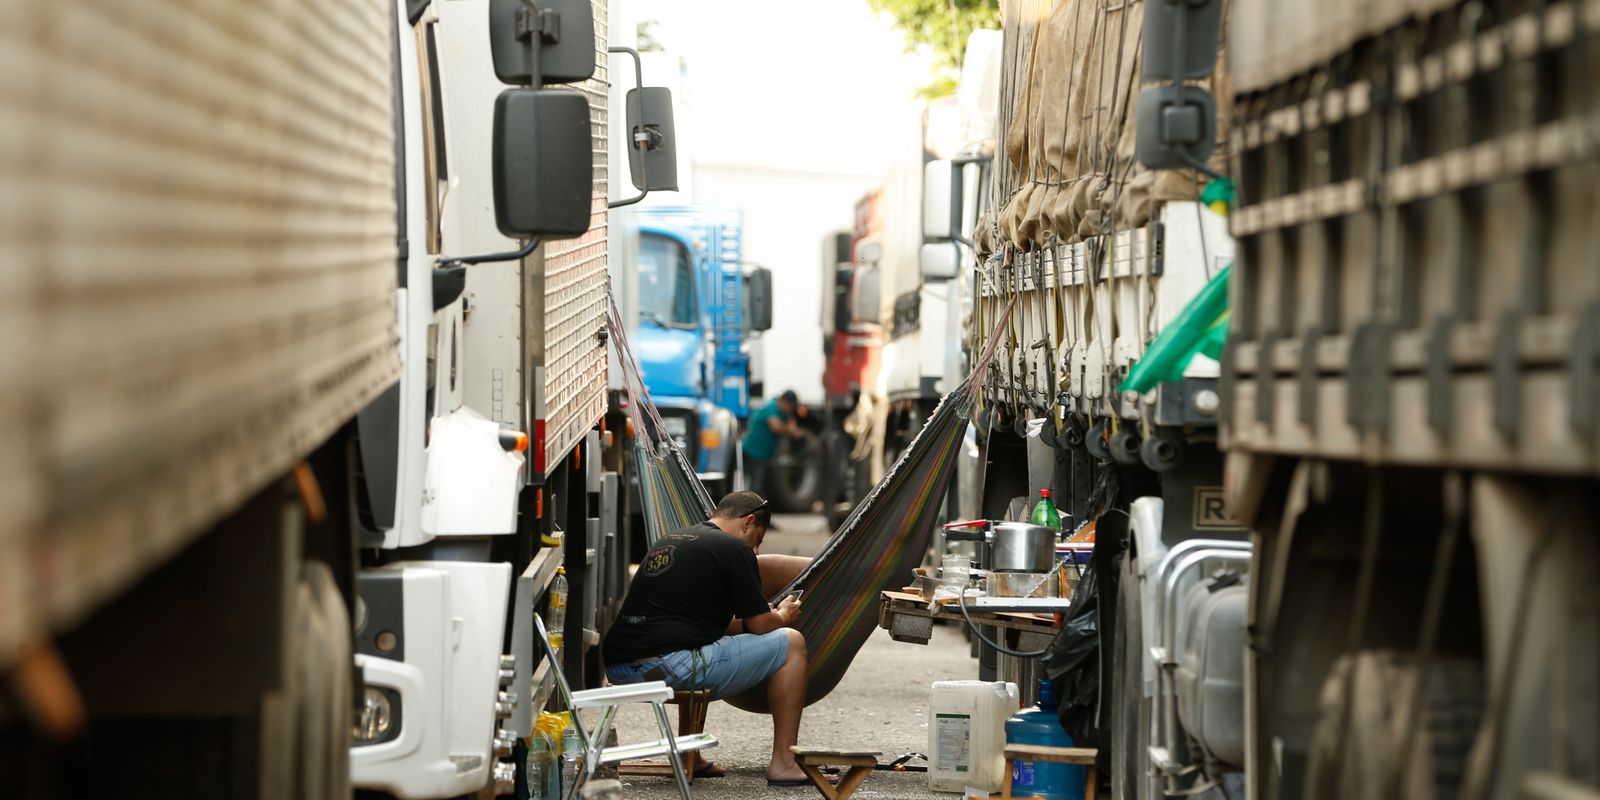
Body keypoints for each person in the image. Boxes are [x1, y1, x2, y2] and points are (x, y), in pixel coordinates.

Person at [602, 491, 812, 786]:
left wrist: (757, 619)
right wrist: (783, 615)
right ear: (748, 522)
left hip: (620, 668)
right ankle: (784, 763)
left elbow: (713, 627)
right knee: (792, 643)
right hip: (671, 669)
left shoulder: (672, 539)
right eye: (758, 539)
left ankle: (690, 754)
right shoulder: (734, 550)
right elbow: (764, 626)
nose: (755, 550)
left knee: (701, 645)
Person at [741, 390, 801, 496]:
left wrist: (790, 426)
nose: (790, 409)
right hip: (752, 452)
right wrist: (789, 430)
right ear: (783, 400)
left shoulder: (784, 413)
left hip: (763, 455)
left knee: (759, 485)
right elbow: (775, 427)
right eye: (790, 406)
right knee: (753, 485)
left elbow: (793, 428)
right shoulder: (771, 407)